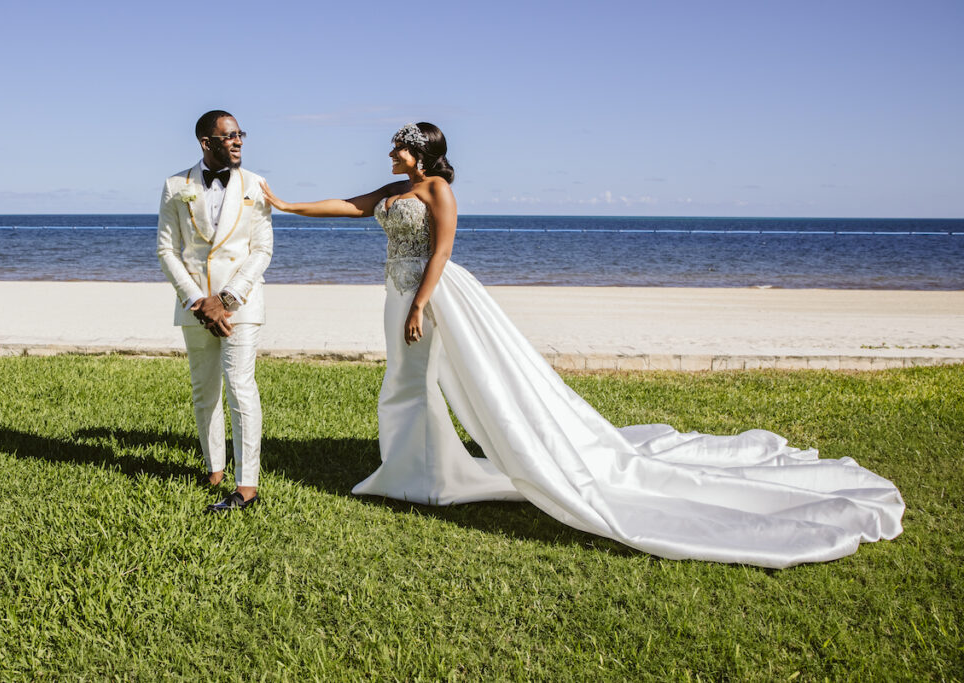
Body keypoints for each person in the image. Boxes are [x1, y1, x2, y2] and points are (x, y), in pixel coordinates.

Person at [260, 122, 904, 568]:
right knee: (406, 382)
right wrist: (286, 204)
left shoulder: (437, 191)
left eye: (399, 150)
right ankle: (414, 470)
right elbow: (347, 205)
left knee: (412, 381)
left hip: (429, 293)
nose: (391, 156)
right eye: (393, 150)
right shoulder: (394, 191)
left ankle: (419, 476)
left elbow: (445, 249)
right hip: (396, 292)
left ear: (422, 154)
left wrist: (423, 302)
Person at [157, 110, 273, 513]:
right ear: (207, 143)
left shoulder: (256, 185)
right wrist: (196, 300)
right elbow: (167, 250)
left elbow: (262, 251)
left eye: (241, 134)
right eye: (229, 136)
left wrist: (225, 299)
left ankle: (246, 484)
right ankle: (213, 468)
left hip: (239, 305)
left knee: (241, 388)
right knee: (204, 390)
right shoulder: (176, 186)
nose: (238, 141)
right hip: (194, 307)